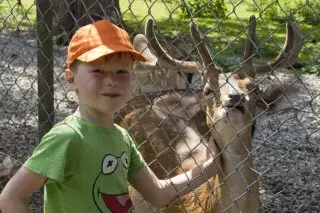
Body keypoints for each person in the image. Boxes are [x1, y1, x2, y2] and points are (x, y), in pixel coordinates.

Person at [0, 19, 220, 213]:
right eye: (98, 71)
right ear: (71, 80)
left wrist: (210, 167)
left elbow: (158, 193)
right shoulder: (67, 137)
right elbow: (11, 197)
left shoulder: (122, 138)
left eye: (122, 72)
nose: (112, 80)